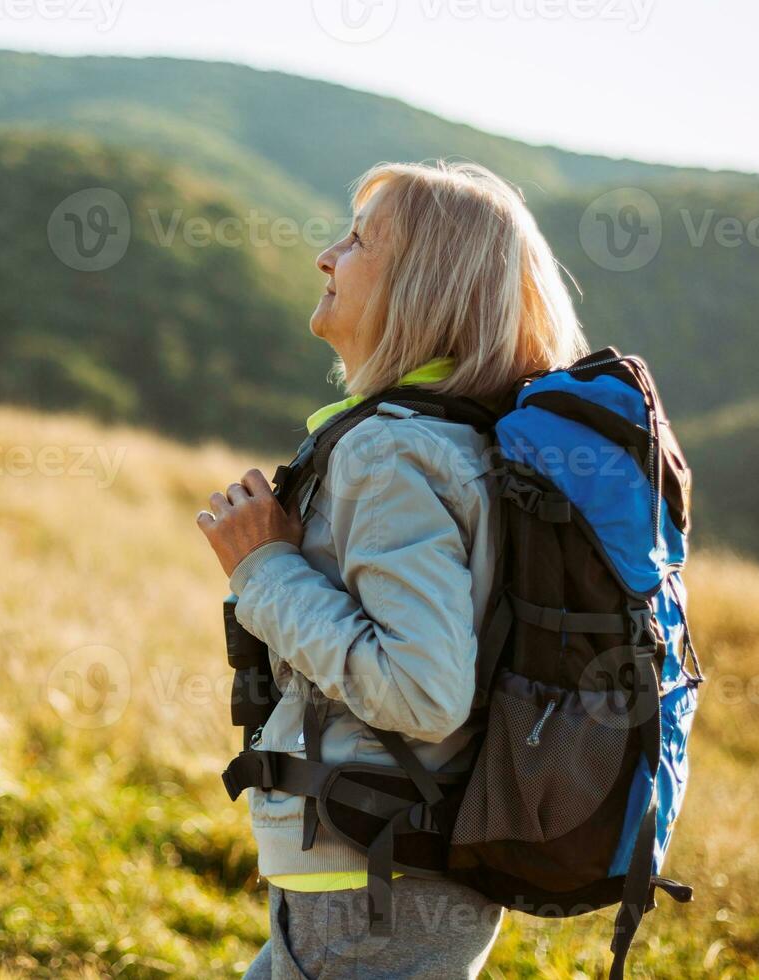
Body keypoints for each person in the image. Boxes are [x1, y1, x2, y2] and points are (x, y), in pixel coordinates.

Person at [195, 160, 589, 979]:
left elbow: (422, 692)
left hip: (374, 892)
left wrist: (263, 568)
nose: (326, 257)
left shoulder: (392, 453)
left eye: (359, 240)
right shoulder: (461, 439)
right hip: (390, 876)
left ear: (422, 285)